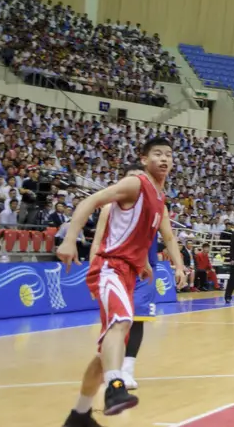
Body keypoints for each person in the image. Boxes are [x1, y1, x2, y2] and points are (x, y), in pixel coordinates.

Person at [58, 138, 187, 427]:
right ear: (144, 159)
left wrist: (142, 262)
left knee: (105, 351)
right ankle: (116, 387)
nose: (164, 159)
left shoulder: (159, 198)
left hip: (128, 271)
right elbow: (90, 201)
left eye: (169, 154)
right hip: (109, 267)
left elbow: (139, 234)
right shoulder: (136, 184)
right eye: (158, 154)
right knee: (123, 322)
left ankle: (79, 415)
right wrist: (69, 239)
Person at [89, 163, 157, 391]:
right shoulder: (110, 208)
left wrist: (173, 264)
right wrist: (93, 272)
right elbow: (98, 240)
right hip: (112, 268)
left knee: (131, 319)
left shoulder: (151, 206)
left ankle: (121, 372)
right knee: (116, 324)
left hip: (138, 271)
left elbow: (151, 239)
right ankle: (111, 376)